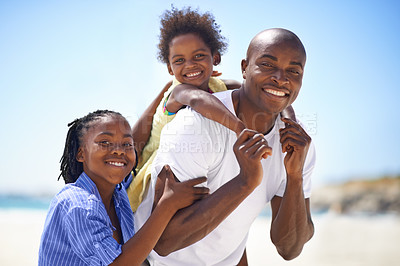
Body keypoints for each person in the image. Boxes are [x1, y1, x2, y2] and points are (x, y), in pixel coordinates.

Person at [134, 28, 316, 265]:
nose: (281, 78)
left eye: (293, 70)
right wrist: (245, 182)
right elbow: (165, 243)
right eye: (268, 65)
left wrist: (295, 177)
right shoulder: (194, 124)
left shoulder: (297, 143)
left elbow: (288, 249)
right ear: (244, 68)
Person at [127, 7, 295, 212]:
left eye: (198, 56)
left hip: (195, 165)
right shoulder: (177, 92)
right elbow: (199, 100)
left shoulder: (220, 86)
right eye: (179, 60)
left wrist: (290, 124)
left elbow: (264, 93)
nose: (189, 65)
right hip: (157, 175)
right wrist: (241, 129)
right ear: (170, 69)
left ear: (215, 58)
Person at [38, 110, 209, 266]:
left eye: (127, 144)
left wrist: (169, 92)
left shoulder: (118, 194)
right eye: (105, 142)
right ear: (81, 153)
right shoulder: (78, 204)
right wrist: (168, 206)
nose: (119, 151)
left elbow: (143, 137)